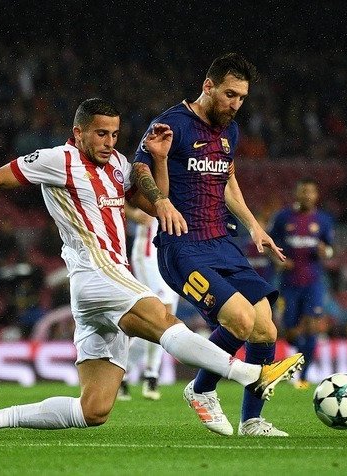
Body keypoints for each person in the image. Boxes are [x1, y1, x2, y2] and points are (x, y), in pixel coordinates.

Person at [0, 98, 303, 441]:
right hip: (97, 272)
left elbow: (157, 204)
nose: (109, 142)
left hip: (102, 285)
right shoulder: (58, 159)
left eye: (114, 134)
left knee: (93, 409)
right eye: (100, 134)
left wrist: (159, 161)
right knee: (165, 320)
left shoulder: (119, 166)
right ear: (78, 132)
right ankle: (250, 374)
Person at [134, 53, 292, 436]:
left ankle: (252, 420)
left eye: (242, 98)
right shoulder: (172, 123)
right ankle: (201, 389)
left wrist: (254, 226)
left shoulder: (229, 132)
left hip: (222, 241)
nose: (236, 104)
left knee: (266, 330)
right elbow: (139, 167)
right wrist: (161, 201)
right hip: (182, 247)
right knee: (240, 319)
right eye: (230, 94)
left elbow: (227, 181)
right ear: (208, 86)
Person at [269, 178, 335, 389]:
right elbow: (270, 245)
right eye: (303, 191)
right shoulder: (283, 218)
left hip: (313, 282)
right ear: (296, 194)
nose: (307, 195)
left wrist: (326, 252)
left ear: (316, 195)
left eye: (310, 192)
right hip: (289, 283)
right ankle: (301, 355)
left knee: (311, 326)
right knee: (290, 332)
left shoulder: (323, 220)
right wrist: (278, 260)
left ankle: (304, 377)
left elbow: (330, 249)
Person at [117, 205, 180, 401]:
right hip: (150, 254)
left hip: (175, 255)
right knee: (160, 317)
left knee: (162, 322)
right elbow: (120, 193)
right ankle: (151, 376)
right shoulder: (154, 184)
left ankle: (122, 373)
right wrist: (133, 213)